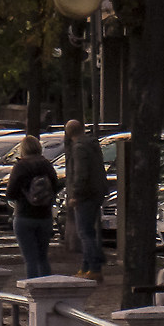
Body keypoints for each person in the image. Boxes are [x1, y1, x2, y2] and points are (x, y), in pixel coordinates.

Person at [6, 134, 60, 280]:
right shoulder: (47, 165)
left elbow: (10, 193)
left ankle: (34, 291)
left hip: (24, 215)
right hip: (44, 216)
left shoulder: (20, 166)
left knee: (30, 259)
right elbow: (56, 186)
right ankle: (47, 288)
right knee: (43, 257)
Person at [62, 119, 107, 282]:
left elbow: (80, 174)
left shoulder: (79, 148)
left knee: (84, 232)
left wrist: (75, 194)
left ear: (68, 133)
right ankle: (86, 266)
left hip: (85, 195)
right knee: (89, 231)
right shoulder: (92, 144)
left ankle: (94, 266)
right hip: (96, 193)